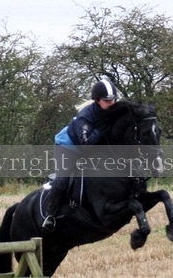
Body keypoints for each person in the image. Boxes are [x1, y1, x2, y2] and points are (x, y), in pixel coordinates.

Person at [42, 79, 118, 233]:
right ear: (98, 100)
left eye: (113, 100)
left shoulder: (112, 111)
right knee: (63, 178)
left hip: (91, 150)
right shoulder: (85, 116)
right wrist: (101, 129)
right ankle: (50, 215)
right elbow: (87, 144)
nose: (111, 103)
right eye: (107, 101)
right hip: (67, 147)